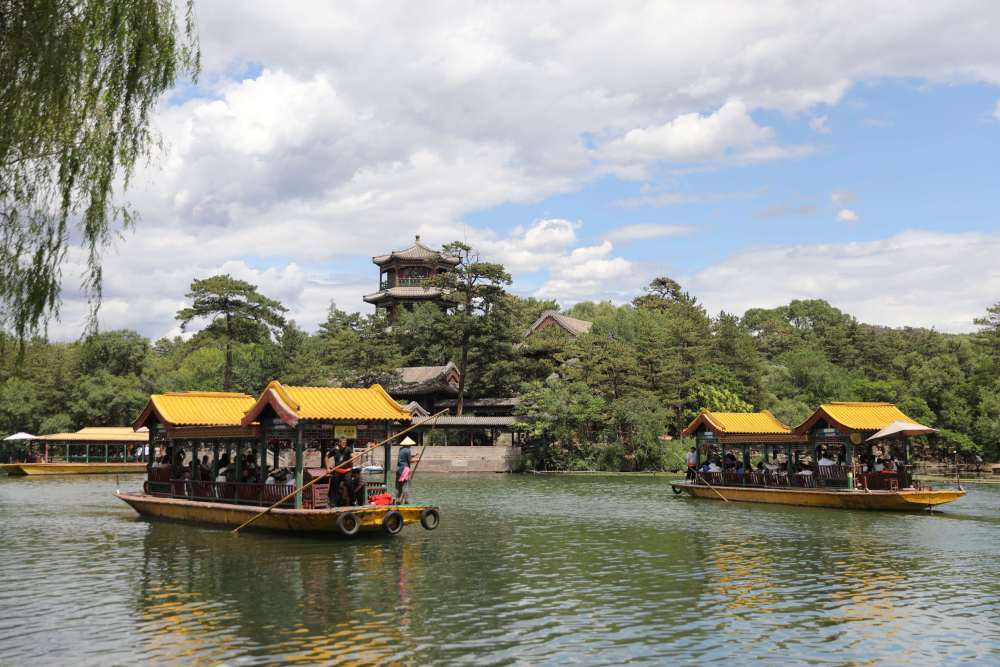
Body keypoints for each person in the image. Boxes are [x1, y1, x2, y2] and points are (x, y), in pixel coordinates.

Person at [328, 439, 352, 506]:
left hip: (347, 471)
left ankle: (353, 501)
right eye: (343, 442)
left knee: (349, 484)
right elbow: (326, 456)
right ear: (339, 443)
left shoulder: (348, 449)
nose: (344, 444)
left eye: (345, 442)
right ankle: (333, 503)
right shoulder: (334, 450)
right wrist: (328, 468)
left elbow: (353, 455)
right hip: (338, 471)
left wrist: (353, 458)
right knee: (334, 486)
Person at [396, 436, 415, 501]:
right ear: (407, 444)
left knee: (399, 485)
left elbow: (404, 457)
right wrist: (416, 461)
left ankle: (398, 499)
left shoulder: (400, 449)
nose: (411, 446)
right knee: (405, 484)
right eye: (410, 445)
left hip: (399, 469)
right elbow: (409, 460)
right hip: (404, 469)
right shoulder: (408, 450)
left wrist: (414, 456)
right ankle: (406, 500)